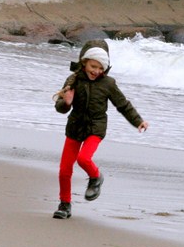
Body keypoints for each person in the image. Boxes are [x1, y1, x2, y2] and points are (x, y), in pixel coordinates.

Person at [52, 40, 148, 219]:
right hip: (75, 127)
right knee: (65, 170)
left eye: (100, 68)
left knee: (83, 159)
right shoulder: (73, 80)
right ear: (84, 62)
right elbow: (60, 107)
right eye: (93, 66)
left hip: (96, 128)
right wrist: (66, 102)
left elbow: (123, 105)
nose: (96, 71)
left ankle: (96, 177)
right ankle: (64, 205)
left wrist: (138, 121)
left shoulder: (108, 84)